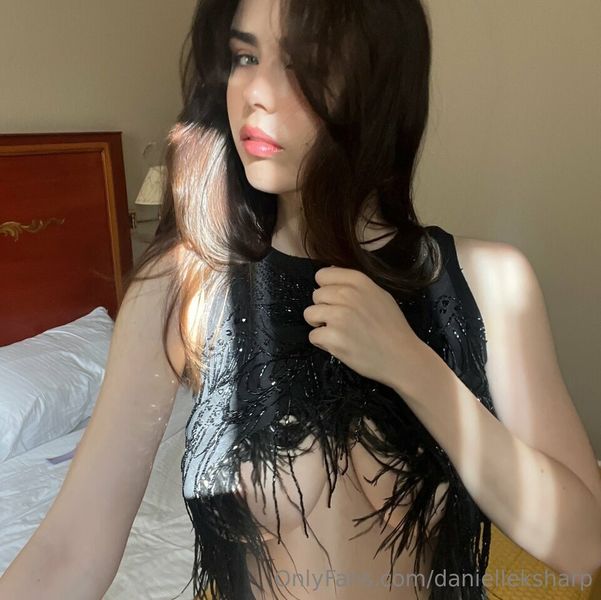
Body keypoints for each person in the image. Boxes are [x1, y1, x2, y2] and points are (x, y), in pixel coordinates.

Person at [2, 0, 600, 599]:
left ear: (379, 83)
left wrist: (413, 366)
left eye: (302, 63)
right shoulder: (181, 287)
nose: (257, 93)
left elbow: (582, 545)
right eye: (244, 56)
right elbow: (68, 550)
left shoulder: (489, 281)